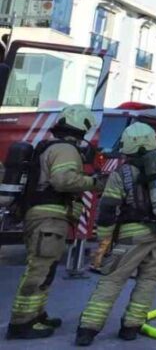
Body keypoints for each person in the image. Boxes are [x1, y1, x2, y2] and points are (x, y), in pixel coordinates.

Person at [75, 122, 156, 345]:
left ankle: (87, 330)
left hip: (131, 235)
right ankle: (131, 327)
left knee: (112, 279)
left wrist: (104, 241)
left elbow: (107, 209)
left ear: (127, 145)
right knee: (150, 279)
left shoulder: (121, 173)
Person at [6, 104, 105, 341]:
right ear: (81, 125)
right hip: (49, 217)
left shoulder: (51, 146)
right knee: (39, 269)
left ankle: (36, 315)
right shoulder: (65, 149)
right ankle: (21, 323)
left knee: (46, 269)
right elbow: (63, 181)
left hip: (46, 215)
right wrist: (93, 183)